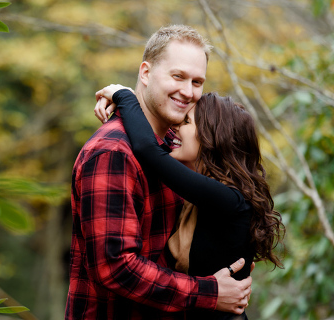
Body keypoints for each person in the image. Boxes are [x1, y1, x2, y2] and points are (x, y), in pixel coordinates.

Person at [65, 24, 252, 320]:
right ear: (146, 73)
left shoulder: (173, 150)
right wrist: (209, 293)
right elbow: (116, 268)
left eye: (197, 81)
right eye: (177, 76)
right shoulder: (114, 153)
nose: (188, 92)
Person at [93, 86, 285, 319]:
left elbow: (148, 150)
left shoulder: (227, 198)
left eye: (185, 123)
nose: (174, 128)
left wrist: (124, 96)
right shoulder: (214, 194)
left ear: (211, 138)